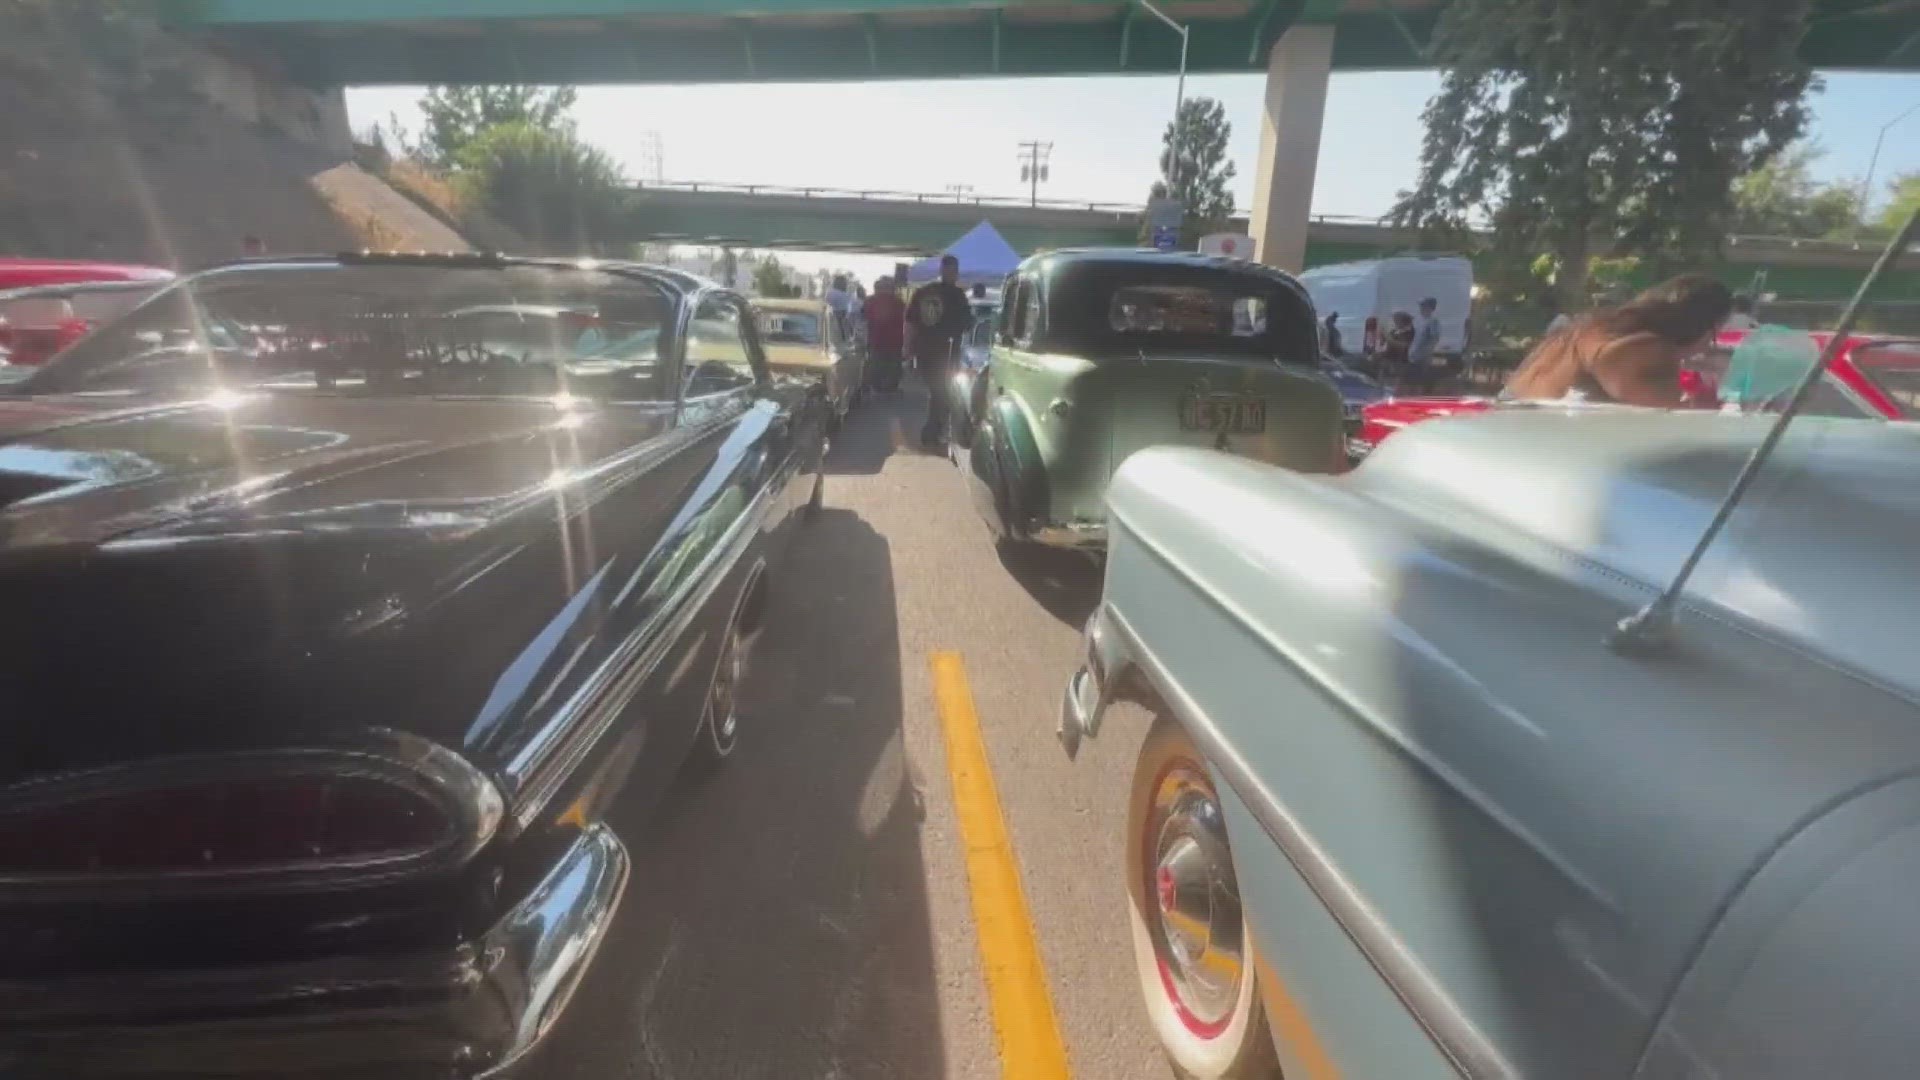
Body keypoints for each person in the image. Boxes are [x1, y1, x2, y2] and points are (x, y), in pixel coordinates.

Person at [1503, 273, 1733, 408]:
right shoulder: (1645, 349)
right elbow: (1658, 417)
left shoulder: (1592, 327)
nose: (1710, 345)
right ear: (1702, 326)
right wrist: (1704, 408)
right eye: (1715, 333)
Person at [906, 254, 973, 448]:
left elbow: (910, 322)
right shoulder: (957, 296)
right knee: (942, 391)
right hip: (947, 351)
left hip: (925, 351)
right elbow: (967, 324)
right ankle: (934, 431)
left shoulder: (924, 292)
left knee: (937, 391)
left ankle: (934, 431)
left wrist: (908, 347)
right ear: (953, 271)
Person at [862, 277, 907, 391]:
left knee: (876, 364)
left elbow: (864, 318)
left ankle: (877, 386)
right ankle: (890, 387)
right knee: (893, 366)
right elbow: (904, 320)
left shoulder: (870, 301)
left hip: (876, 340)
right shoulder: (898, 302)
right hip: (894, 341)